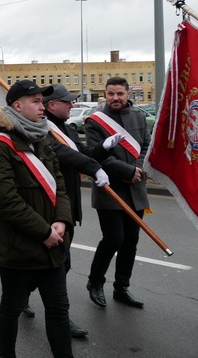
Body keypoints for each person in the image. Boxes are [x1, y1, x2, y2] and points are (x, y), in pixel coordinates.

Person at [0, 80, 73, 357]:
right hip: (19, 246)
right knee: (11, 306)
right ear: (17, 106)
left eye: (42, 101)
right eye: (35, 101)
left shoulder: (41, 137)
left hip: (52, 245)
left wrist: (61, 222)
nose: (42, 106)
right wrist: (44, 232)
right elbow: (5, 199)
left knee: (58, 309)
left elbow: (60, 185)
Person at [42, 83, 115, 337]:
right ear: (52, 105)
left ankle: (22, 296)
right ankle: (61, 318)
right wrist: (94, 167)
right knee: (61, 263)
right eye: (67, 102)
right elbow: (63, 154)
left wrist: (103, 148)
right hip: (51, 204)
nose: (72, 105)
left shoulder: (69, 128)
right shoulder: (43, 129)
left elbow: (81, 152)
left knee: (58, 263)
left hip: (69, 203)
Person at [85, 77, 150, 310]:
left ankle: (121, 287)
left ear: (127, 94)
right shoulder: (95, 122)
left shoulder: (139, 117)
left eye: (120, 94)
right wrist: (127, 171)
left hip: (136, 188)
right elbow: (97, 155)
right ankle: (95, 282)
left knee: (131, 241)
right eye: (111, 94)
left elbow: (145, 146)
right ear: (105, 94)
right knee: (114, 238)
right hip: (109, 189)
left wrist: (138, 170)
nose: (115, 98)